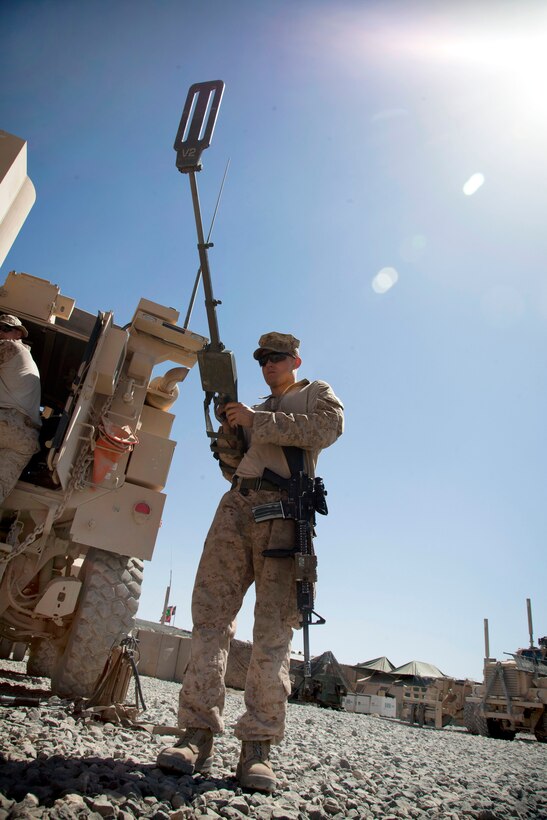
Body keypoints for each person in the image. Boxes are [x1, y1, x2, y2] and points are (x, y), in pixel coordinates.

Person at [157, 332, 343, 792]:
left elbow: (327, 429)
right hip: (236, 506)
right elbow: (232, 465)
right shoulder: (252, 408)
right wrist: (229, 431)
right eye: (262, 359)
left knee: (273, 631)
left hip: (283, 513)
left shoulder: (314, 393)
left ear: (296, 360)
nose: (268, 364)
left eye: (277, 357)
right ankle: (196, 733)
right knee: (210, 619)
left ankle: (257, 746)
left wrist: (257, 420)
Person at [0, 314, 41, 503]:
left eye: (5, 329)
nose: (0, 333)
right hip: (25, 439)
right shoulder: (26, 358)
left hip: (6, 422)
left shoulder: (10, 347)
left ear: (18, 334)